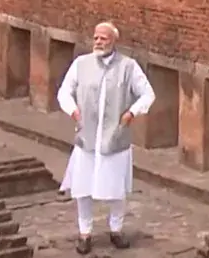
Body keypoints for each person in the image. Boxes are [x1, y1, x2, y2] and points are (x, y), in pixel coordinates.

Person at [57, 22, 156, 254]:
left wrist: (131, 113)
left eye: (103, 38)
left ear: (113, 41)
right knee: (83, 188)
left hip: (115, 138)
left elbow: (147, 94)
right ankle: (85, 232)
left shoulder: (128, 67)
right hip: (87, 137)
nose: (98, 42)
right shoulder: (81, 64)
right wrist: (73, 110)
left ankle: (116, 229)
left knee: (116, 189)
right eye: (96, 38)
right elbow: (64, 91)